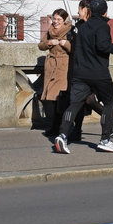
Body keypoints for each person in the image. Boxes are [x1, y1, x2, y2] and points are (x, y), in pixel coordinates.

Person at [53, 0, 113, 154]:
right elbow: (102, 46)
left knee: (74, 105)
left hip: (79, 73)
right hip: (98, 73)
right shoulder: (102, 26)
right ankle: (105, 139)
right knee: (109, 103)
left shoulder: (81, 27)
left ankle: (62, 135)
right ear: (105, 12)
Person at [38, 8, 72, 139]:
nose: (56, 22)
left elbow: (75, 47)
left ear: (64, 21)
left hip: (64, 66)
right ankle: (55, 126)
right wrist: (48, 43)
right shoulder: (50, 30)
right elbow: (40, 45)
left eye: (59, 19)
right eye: (54, 18)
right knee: (48, 99)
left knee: (59, 98)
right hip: (51, 65)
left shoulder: (69, 30)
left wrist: (66, 43)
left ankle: (62, 127)